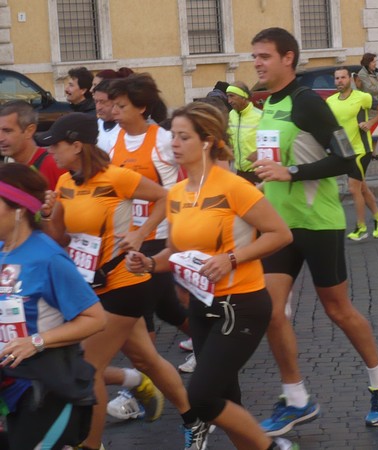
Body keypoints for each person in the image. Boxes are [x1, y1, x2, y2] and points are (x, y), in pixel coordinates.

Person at [250, 27, 378, 437]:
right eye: (255, 57)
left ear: (288, 58)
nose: (258, 64)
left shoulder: (307, 104)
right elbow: (282, 156)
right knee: (269, 310)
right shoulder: (270, 102)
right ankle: (296, 397)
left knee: (338, 309)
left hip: (318, 222)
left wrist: (291, 171)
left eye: (265, 56)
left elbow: (347, 161)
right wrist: (260, 165)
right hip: (279, 225)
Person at [125, 101, 296, 450]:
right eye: (173, 136)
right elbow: (173, 253)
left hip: (242, 304)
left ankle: (271, 446)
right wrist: (148, 264)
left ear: (205, 142)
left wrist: (232, 259)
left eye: (183, 137)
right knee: (227, 398)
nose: (174, 143)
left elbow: (280, 234)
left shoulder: (233, 187)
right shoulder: (176, 193)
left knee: (202, 397)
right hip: (203, 308)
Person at [36, 113, 191, 450]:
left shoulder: (117, 177)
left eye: (56, 145)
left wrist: (140, 232)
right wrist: (49, 215)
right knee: (145, 359)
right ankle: (196, 416)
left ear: (77, 145)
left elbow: (166, 198)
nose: (50, 152)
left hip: (124, 283)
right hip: (90, 284)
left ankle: (90, 446)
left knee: (89, 368)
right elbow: (60, 239)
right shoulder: (63, 183)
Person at [103, 73, 192, 418]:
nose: (113, 111)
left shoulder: (164, 140)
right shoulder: (112, 143)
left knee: (140, 313)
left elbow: (173, 193)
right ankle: (206, 340)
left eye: (121, 105)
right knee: (167, 307)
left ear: (141, 106)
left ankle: (137, 392)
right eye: (112, 104)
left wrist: (146, 233)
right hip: (127, 239)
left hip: (157, 238)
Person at [0, 163, 105, 449]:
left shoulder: (48, 258)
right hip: (10, 387)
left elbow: (95, 318)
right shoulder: (3, 250)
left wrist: (36, 342)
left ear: (18, 208)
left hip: (46, 390)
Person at [326, 67, 378, 240]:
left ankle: (361, 227)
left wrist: (371, 123)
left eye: (343, 78)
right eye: (337, 78)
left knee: (353, 188)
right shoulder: (330, 101)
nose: (340, 81)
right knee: (361, 187)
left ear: (350, 79)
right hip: (345, 151)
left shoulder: (362, 97)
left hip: (362, 150)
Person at [0, 100, 65, 189]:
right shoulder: (9, 168)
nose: (1, 138)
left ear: (29, 131)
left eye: (7, 131)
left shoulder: (53, 165)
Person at [226, 81, 263, 184]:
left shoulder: (260, 116)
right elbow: (229, 141)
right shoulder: (231, 115)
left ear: (243, 96)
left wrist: (259, 154)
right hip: (239, 172)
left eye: (232, 96)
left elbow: (272, 144)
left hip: (258, 172)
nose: (229, 101)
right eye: (228, 97)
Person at [93, 80, 121, 153]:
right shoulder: (93, 127)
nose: (98, 107)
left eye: (103, 102)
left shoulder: (127, 129)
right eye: (96, 102)